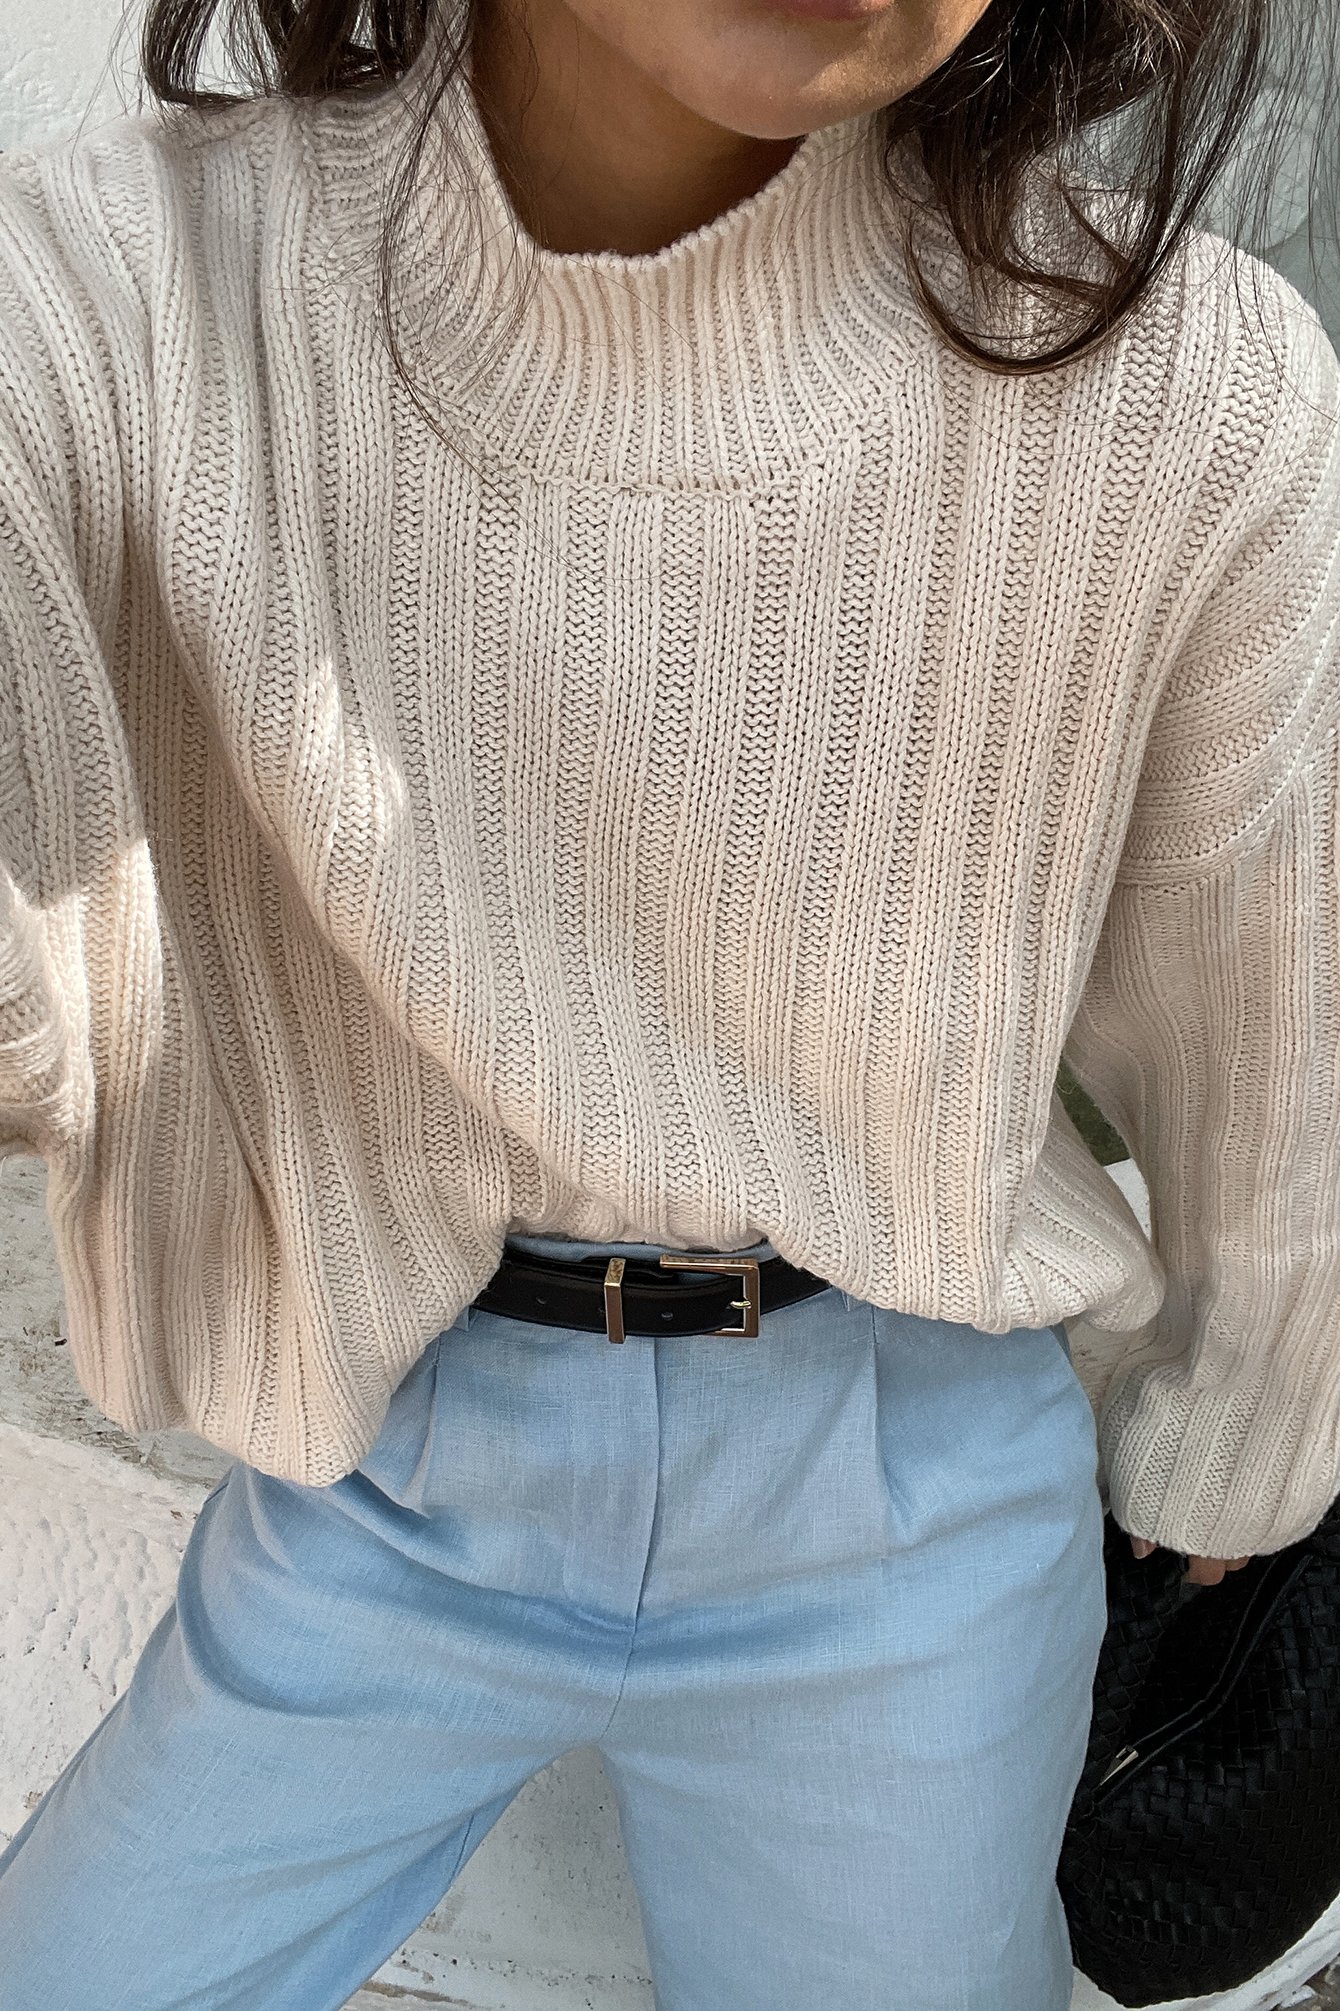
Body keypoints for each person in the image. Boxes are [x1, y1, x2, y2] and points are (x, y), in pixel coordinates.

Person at [0, 0, 1336, 2003]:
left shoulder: (1187, 391)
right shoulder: (115, 299)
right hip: (399, 1453)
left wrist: (1236, 1443)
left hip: (905, 1491)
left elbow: (1268, 1023)